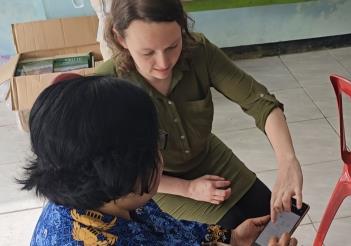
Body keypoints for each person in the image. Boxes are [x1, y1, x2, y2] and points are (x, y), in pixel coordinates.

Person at [18, 75, 298, 245]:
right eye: (155, 145)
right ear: (123, 170)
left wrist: (233, 239)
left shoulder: (102, 194)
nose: (161, 153)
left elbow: (171, 233)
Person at [96, 0, 304, 229]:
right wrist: (188, 188)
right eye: (147, 53)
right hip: (155, 180)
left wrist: (288, 161)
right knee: (227, 231)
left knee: (281, 219)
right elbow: (111, 171)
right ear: (120, 39)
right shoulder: (106, 85)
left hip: (207, 156)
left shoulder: (198, 51)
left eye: (173, 46)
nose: (164, 63)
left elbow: (258, 101)